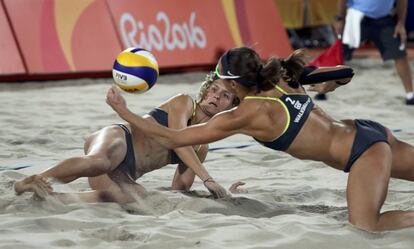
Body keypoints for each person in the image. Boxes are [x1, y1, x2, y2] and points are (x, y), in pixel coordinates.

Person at [107, 46, 414, 232]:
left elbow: (174, 137)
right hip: (370, 131)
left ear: (227, 80)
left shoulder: (245, 115)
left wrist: (125, 112)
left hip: (363, 155)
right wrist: (332, 80)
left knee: (365, 226)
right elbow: (345, 71)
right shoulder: (282, 78)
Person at [14, 73, 242, 202]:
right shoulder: (184, 102)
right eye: (213, 89)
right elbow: (177, 140)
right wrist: (208, 179)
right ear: (204, 90)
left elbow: (179, 191)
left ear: (231, 106)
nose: (215, 97)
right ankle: (33, 180)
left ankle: (53, 199)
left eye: (225, 96)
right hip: (118, 138)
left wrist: (222, 195)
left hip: (122, 173)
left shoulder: (202, 146)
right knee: (99, 162)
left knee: (137, 197)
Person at [335, 0, 414, 105]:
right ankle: (322, 88)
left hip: (383, 19)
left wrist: (401, 23)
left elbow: (402, 2)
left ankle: (410, 94)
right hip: (357, 17)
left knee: (399, 53)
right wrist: (340, 19)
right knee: (339, 53)